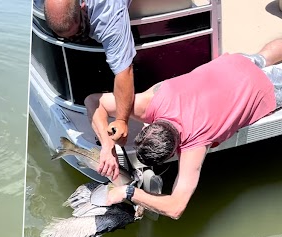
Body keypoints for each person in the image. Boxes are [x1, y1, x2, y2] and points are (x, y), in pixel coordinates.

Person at [84, 38, 282, 220]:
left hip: (260, 87)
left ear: (174, 151)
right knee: (263, 57)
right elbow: (93, 100)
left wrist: (128, 192)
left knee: (272, 74)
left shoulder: (194, 144)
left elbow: (176, 208)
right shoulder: (151, 101)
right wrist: (106, 146)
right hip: (233, 65)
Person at [43, 0, 136, 178]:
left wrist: (122, 120)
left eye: (77, 31)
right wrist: (107, 146)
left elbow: (125, 72)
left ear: (83, 6)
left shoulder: (108, 14)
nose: (73, 39)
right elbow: (92, 102)